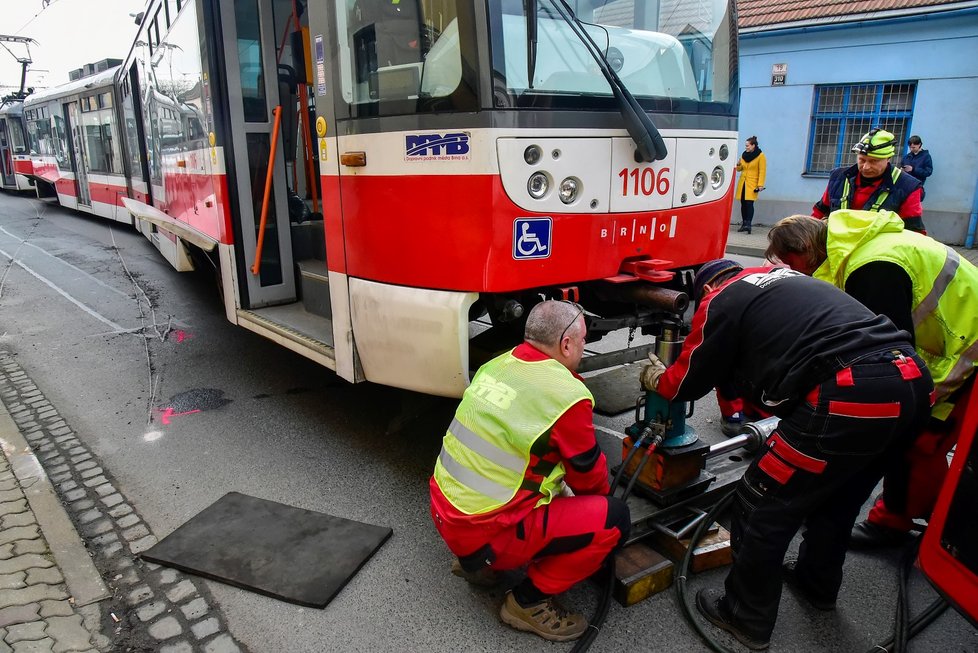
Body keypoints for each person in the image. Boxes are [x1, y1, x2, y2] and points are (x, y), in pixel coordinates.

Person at [641, 258, 932, 650]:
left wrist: (660, 379)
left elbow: (689, 379)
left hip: (851, 392)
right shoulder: (786, 279)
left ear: (707, 289)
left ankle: (744, 616)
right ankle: (817, 585)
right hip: (912, 382)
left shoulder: (722, 299)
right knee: (839, 495)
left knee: (760, 503)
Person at [766, 211, 978, 548]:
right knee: (909, 436)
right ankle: (907, 519)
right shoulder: (857, 248)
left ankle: (939, 529)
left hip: (966, 351)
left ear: (808, 249)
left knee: (920, 440)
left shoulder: (874, 268)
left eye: (797, 266)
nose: (798, 275)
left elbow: (889, 356)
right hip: (948, 341)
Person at [429, 300, 630, 642]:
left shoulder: (498, 366)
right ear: (566, 344)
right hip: (487, 532)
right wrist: (584, 508)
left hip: (446, 511)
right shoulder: (567, 395)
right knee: (614, 520)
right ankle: (526, 603)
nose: (583, 349)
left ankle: (475, 564)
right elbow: (590, 480)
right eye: (583, 341)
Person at [812, 128, 926, 234]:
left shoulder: (908, 187)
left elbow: (914, 233)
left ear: (888, 158)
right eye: (861, 160)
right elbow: (819, 212)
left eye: (874, 161)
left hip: (877, 254)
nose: (866, 167)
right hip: (835, 250)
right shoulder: (838, 177)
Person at [735, 135, 766, 234]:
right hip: (743, 183)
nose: (746, 147)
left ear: (753, 145)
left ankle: (748, 224)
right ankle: (744, 224)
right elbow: (739, 169)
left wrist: (760, 184)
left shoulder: (761, 156)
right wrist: (739, 164)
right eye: (746, 145)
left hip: (752, 184)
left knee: (749, 204)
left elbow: (762, 171)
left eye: (748, 145)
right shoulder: (744, 155)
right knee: (743, 203)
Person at [901, 135, 933, 200]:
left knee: (914, 204)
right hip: (904, 184)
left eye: (914, 147)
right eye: (910, 147)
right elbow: (902, 166)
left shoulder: (926, 156)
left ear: (920, 145)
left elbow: (928, 172)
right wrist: (901, 170)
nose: (911, 149)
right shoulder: (907, 157)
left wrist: (913, 169)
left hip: (917, 185)